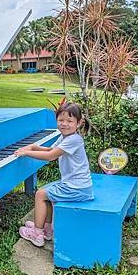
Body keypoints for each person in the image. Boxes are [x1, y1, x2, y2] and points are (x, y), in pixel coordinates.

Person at [14, 102, 94, 247]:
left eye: (69, 121)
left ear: (79, 123)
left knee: (40, 194)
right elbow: (49, 149)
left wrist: (26, 152)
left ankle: (37, 234)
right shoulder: (65, 137)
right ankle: (47, 229)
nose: (64, 124)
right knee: (48, 194)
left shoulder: (74, 140)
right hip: (75, 185)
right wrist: (33, 146)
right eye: (61, 120)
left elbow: (50, 156)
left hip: (77, 188)